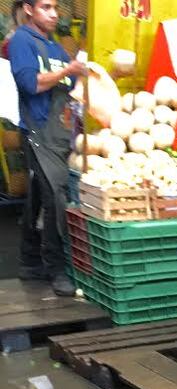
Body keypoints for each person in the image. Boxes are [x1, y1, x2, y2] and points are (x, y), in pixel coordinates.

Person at [8, 0, 82, 296]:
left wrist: (102, 77)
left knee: (39, 193)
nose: (54, 14)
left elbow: (74, 85)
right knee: (55, 197)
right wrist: (68, 70)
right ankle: (56, 268)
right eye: (46, 7)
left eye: (55, 9)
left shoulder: (54, 48)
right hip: (37, 132)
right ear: (29, 9)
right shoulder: (22, 42)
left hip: (59, 135)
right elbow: (31, 85)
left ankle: (29, 260)